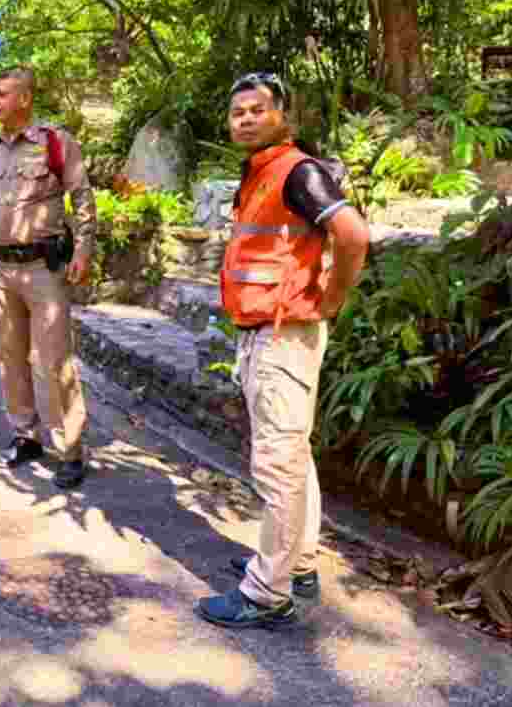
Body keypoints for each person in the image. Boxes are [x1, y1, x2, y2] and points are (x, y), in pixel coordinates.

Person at [194, 72, 369, 629]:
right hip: (266, 333)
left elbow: (354, 235)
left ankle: (267, 593)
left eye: (257, 109)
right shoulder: (262, 173)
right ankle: (298, 565)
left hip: (282, 336)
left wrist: (331, 299)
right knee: (293, 456)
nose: (245, 119)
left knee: (277, 465)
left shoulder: (297, 172)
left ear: (282, 116)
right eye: (237, 112)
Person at [0, 66, 97, 490]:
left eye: (3, 94)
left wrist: (83, 250)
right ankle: (26, 435)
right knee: (9, 355)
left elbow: (82, 197)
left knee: (55, 360)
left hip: (43, 268)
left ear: (24, 99)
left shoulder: (55, 142)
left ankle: (70, 448)